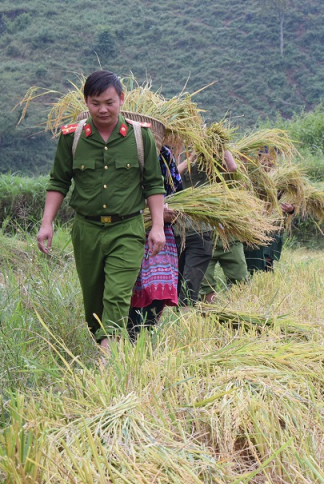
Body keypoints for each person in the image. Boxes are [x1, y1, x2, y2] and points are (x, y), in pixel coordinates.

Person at [37, 70, 166, 355]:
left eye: (109, 102)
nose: (103, 109)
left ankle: (108, 361)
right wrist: (47, 223)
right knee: (93, 301)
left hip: (127, 229)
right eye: (95, 103)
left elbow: (154, 184)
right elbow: (58, 181)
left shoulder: (140, 136)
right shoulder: (72, 138)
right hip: (87, 231)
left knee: (117, 295)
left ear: (121, 99)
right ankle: (106, 343)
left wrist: (157, 227)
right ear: (86, 102)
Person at [128, 144, 183, 339]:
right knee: (125, 286)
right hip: (123, 228)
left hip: (158, 230)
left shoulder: (164, 153)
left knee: (156, 286)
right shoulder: (113, 147)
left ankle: (145, 336)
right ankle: (127, 337)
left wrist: (165, 212)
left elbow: (176, 189)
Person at [175, 148, 238, 305]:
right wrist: (192, 157)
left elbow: (232, 169)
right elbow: (171, 175)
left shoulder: (209, 156)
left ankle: (187, 316)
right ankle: (179, 317)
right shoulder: (176, 152)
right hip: (177, 228)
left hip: (201, 229)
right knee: (177, 279)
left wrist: (220, 144)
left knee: (191, 281)